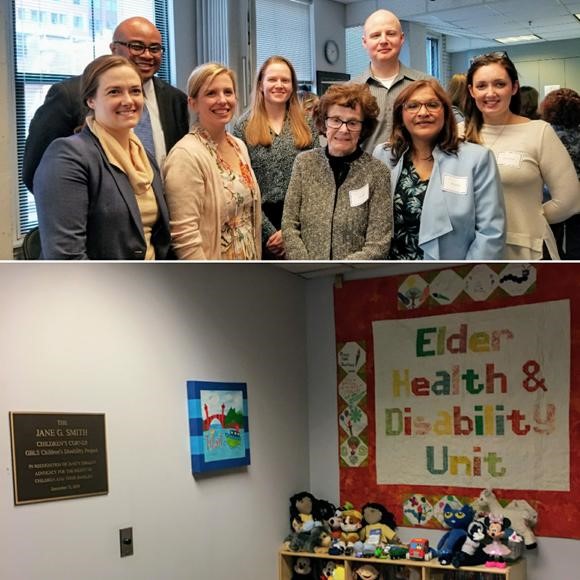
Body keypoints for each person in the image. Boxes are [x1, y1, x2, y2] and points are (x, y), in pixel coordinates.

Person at [23, 16, 189, 191]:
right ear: (113, 48)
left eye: (155, 48)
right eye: (137, 46)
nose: (147, 55)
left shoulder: (175, 100)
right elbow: (36, 170)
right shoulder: (69, 95)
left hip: (162, 214)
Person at [34, 55, 171, 260]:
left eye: (135, 91)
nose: (128, 100)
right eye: (114, 92)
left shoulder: (143, 155)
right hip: (97, 289)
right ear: (91, 100)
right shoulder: (67, 156)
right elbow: (66, 259)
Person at [464, 52, 580, 260]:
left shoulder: (538, 132)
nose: (490, 93)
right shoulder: (456, 134)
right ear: (471, 91)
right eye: (481, 86)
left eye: (500, 84)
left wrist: (528, 219)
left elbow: (569, 201)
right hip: (469, 250)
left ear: (514, 87)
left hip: (526, 250)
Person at [373, 79, 505, 260]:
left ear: (446, 112)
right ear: (401, 115)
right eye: (412, 106)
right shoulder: (384, 155)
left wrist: (466, 278)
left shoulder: (477, 159)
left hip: (451, 273)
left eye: (432, 105)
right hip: (390, 272)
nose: (423, 113)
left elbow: (490, 233)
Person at [281, 82, 391, 260]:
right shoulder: (304, 163)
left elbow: (379, 244)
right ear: (324, 122)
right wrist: (306, 264)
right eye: (336, 120)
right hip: (307, 274)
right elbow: (289, 224)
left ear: (364, 127)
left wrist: (339, 269)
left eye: (353, 122)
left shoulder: (377, 173)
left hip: (355, 276)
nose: (343, 129)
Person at [163, 63, 261, 260]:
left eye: (228, 92)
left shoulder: (239, 146)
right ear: (193, 103)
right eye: (211, 93)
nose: (222, 100)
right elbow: (185, 237)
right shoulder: (185, 155)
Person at [233, 56, 318, 259]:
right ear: (261, 84)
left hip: (302, 223)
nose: (279, 85)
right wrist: (269, 233)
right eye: (272, 79)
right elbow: (241, 186)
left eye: (285, 80)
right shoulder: (243, 127)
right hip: (259, 224)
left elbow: (316, 180)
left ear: (292, 86)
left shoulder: (308, 124)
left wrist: (290, 230)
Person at [354, 9, 431, 152]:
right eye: (376, 35)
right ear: (365, 42)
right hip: (366, 173)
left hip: (417, 173)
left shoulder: (427, 84)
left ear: (401, 39)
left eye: (390, 33)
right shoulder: (350, 90)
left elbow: (452, 121)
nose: (383, 41)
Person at [541, 88, 580, 259]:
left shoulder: (543, 134)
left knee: (551, 245)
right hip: (578, 197)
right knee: (576, 244)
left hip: (550, 198)